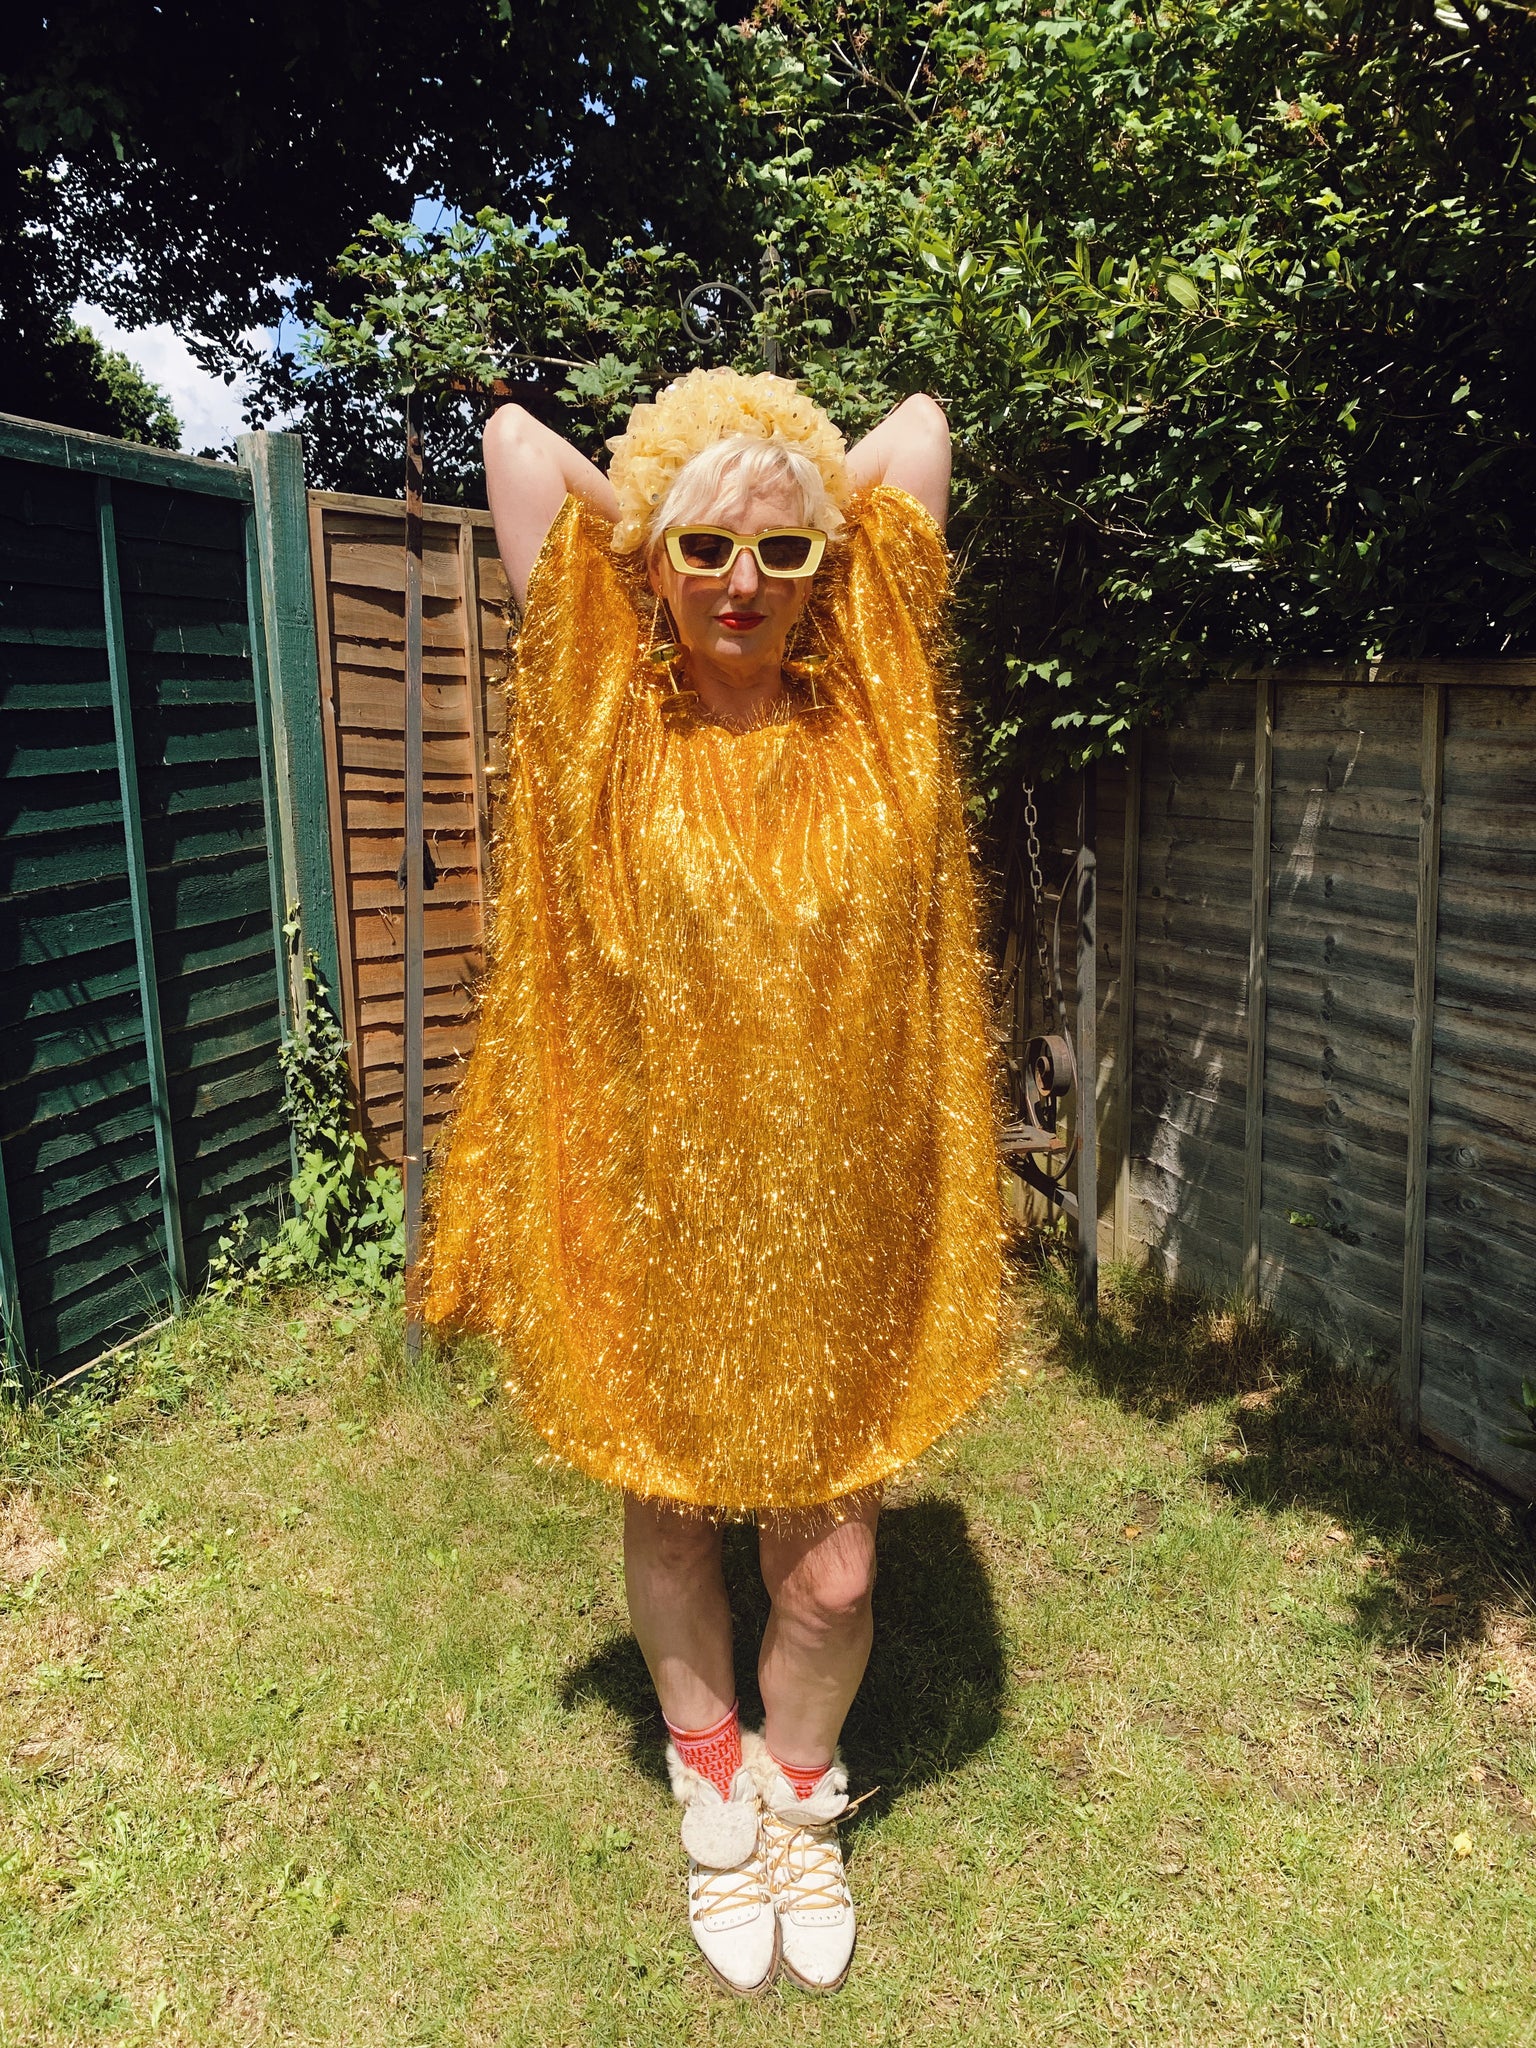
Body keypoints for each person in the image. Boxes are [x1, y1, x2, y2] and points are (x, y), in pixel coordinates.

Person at [425, 368, 1001, 1996]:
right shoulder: (603, 718)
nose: (743, 583)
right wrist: (675, 500)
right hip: (654, 1216)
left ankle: (801, 1799)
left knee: (837, 1568)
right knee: (671, 1518)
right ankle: (713, 1789)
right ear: (654, 561)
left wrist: (783, 486)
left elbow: (921, 427)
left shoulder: (874, 718)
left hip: (840, 1228)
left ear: (829, 570)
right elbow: (516, 446)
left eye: (784, 555)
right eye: (705, 552)